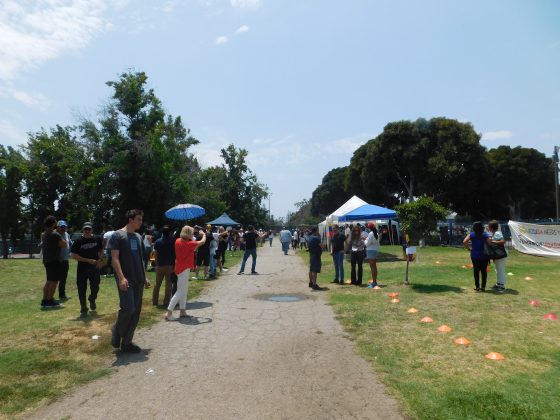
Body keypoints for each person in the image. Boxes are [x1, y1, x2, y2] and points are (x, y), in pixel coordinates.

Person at [110, 209, 151, 353]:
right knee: (128, 308)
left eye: (141, 219)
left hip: (139, 278)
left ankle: (127, 343)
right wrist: (121, 277)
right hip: (126, 279)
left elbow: (141, 258)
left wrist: (145, 276)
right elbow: (114, 258)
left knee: (136, 312)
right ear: (131, 219)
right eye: (138, 219)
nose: (141, 222)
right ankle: (116, 331)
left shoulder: (139, 237)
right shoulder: (117, 235)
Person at [165, 225, 206, 321]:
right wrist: (204, 234)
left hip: (180, 268)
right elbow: (202, 242)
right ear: (188, 234)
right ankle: (169, 312)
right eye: (192, 233)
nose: (193, 234)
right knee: (180, 291)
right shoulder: (189, 244)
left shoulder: (178, 241)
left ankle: (182, 311)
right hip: (184, 269)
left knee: (183, 291)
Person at [70, 222, 103, 317]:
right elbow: (73, 255)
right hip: (82, 268)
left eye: (89, 229)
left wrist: (100, 259)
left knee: (95, 286)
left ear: (92, 230)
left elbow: (101, 249)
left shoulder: (97, 238)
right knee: (81, 289)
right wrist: (87, 260)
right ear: (83, 230)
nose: (87, 231)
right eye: (85, 229)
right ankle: (83, 308)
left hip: (94, 267)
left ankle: (92, 299)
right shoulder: (78, 241)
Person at [40, 215, 68, 309]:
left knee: (49, 280)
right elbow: (64, 245)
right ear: (53, 223)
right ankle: (50, 300)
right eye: (55, 221)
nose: (56, 223)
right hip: (54, 260)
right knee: (54, 281)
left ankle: (44, 300)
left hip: (47, 260)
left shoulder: (44, 234)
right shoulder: (55, 234)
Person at [463, 221, 490, 292]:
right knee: (484, 271)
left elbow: (464, 241)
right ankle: (483, 287)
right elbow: (489, 242)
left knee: (476, 271)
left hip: (474, 255)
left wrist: (469, 248)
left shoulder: (471, 234)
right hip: (484, 256)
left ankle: (477, 287)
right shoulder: (485, 234)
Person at [152, 225, 174, 306]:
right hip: (169, 265)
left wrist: (156, 264)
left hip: (160, 265)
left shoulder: (158, 241)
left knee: (157, 284)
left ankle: (155, 302)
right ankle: (166, 302)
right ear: (170, 233)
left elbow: (156, 254)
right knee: (168, 285)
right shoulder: (172, 241)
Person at [487, 220, 508, 293]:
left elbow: (503, 242)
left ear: (491, 227)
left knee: (500, 269)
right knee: (498, 270)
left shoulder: (497, 233)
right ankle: (498, 283)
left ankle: (501, 286)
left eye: (488, 226)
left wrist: (492, 241)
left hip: (501, 255)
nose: (487, 227)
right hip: (498, 255)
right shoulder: (494, 233)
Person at [56, 220, 71, 301]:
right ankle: (50, 296)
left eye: (64, 227)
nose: (63, 228)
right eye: (61, 227)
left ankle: (62, 295)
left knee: (63, 279)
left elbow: (70, 244)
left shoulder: (67, 235)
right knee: (54, 279)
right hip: (57, 260)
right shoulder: (56, 235)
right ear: (58, 227)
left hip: (65, 260)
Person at [365, 222, 380, 288]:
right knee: (374, 267)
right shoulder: (376, 233)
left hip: (370, 250)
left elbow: (367, 244)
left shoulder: (371, 233)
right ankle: (374, 281)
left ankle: (374, 282)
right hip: (375, 250)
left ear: (369, 228)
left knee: (372, 267)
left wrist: (364, 240)